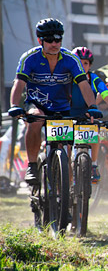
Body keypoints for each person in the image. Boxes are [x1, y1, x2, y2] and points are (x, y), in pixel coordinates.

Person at [8, 18, 102, 186]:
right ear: (40, 40)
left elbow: (83, 85)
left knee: (64, 153)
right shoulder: (29, 58)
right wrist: (14, 106)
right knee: (36, 118)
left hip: (61, 108)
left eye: (57, 39)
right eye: (49, 39)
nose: (54, 43)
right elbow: (19, 83)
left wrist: (92, 106)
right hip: (37, 104)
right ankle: (32, 165)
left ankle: (65, 195)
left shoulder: (70, 59)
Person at [70, 46, 108, 183]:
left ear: (90, 65)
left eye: (85, 63)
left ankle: (93, 165)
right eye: (78, 62)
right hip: (68, 116)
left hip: (88, 116)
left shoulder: (94, 79)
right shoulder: (66, 77)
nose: (82, 66)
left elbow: (107, 96)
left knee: (95, 131)